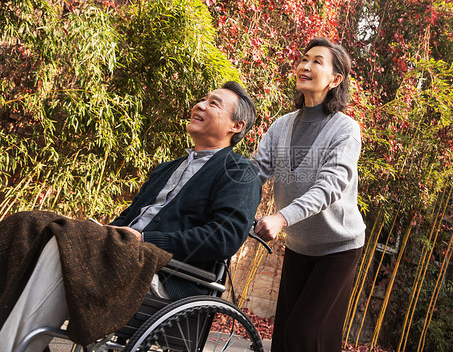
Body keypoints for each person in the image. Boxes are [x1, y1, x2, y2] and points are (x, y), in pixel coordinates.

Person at [0, 81, 262, 351]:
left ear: (236, 126)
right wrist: (101, 234)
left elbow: (224, 237)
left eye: (214, 103)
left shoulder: (239, 172)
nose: (200, 105)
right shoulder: (166, 169)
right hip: (123, 252)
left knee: (65, 245)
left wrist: (146, 238)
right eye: (202, 99)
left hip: (167, 272)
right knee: (28, 226)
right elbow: (126, 219)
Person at [252, 37, 366, 352]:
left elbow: (329, 186)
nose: (305, 65)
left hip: (338, 247)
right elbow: (256, 173)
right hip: (301, 245)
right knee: (286, 338)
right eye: (304, 59)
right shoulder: (281, 126)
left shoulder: (345, 130)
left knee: (303, 333)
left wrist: (281, 217)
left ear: (335, 79)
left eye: (317, 61)